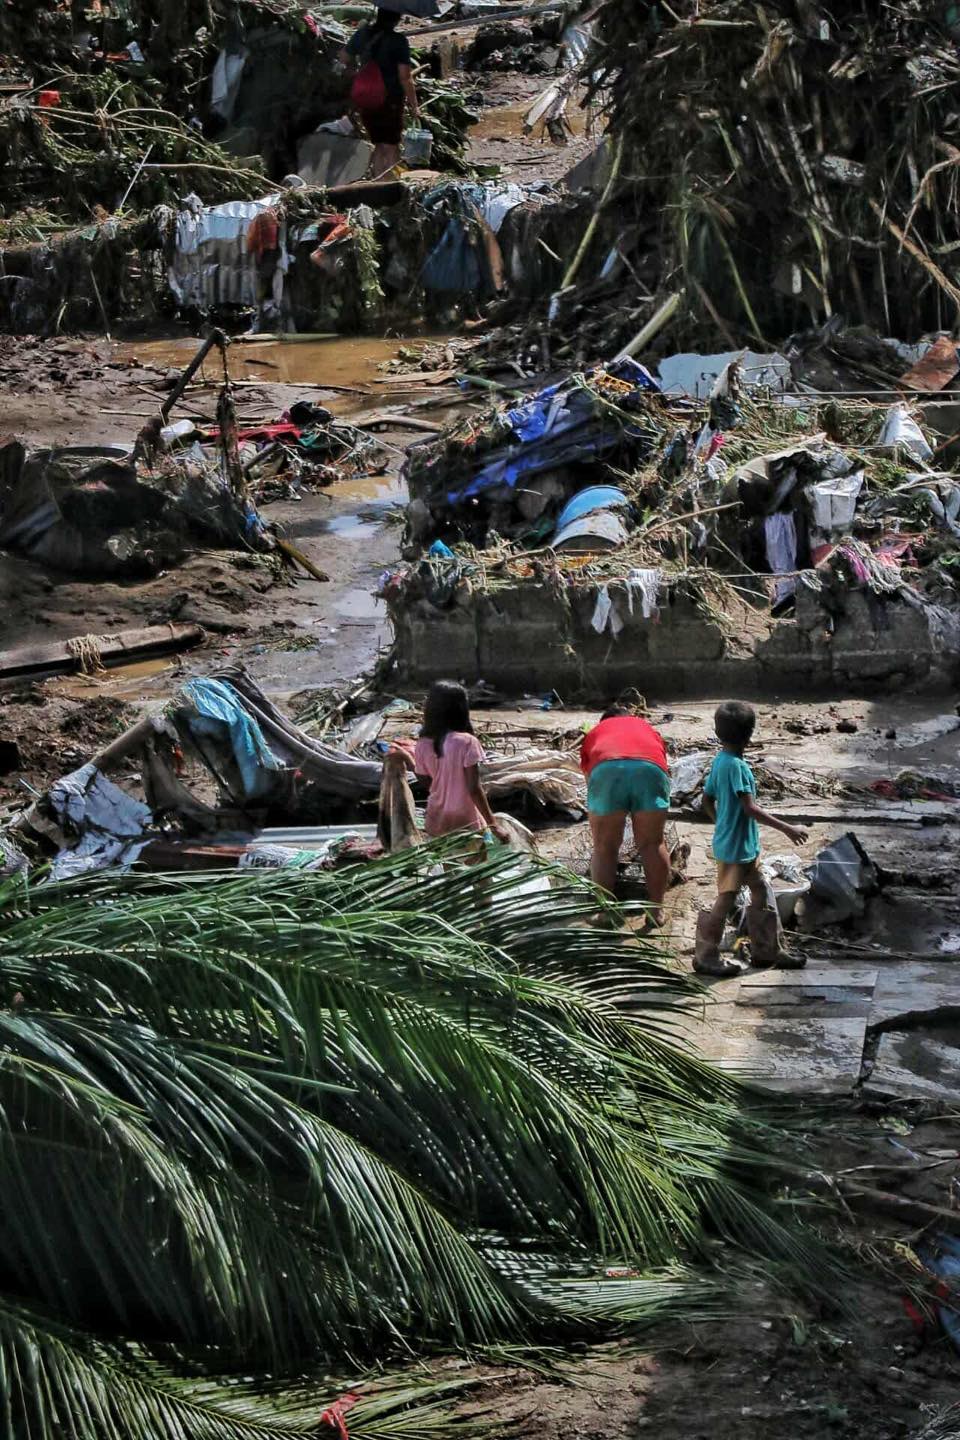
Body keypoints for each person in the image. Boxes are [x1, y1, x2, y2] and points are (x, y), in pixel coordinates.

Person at [695, 700, 808, 977]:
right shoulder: (737, 768)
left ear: (717, 731)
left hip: (738, 844)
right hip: (737, 848)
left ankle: (766, 950)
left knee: (759, 888)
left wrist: (720, 822)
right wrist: (787, 828)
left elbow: (705, 800)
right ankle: (706, 954)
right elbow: (750, 808)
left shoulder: (719, 762)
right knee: (726, 898)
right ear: (750, 734)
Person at [580, 705, 671, 923]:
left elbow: (588, 776)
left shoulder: (596, 732)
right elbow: (662, 760)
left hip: (606, 769)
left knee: (604, 847)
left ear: (605, 721)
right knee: (652, 843)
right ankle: (656, 911)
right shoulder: (645, 726)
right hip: (650, 768)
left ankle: (605, 911)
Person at [394, 680, 508, 843]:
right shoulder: (467, 742)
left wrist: (407, 759)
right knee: (474, 866)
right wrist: (493, 824)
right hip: (464, 819)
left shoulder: (423, 743)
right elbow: (473, 788)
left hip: (436, 818)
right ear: (461, 709)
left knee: (450, 867)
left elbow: (427, 782)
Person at [345, 8, 419, 179]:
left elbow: (343, 57)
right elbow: (405, 77)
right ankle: (391, 188)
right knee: (391, 145)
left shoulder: (362, 34)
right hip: (390, 99)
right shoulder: (398, 41)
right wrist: (414, 104)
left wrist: (358, 74)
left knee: (378, 143)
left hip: (366, 98)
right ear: (397, 19)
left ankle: (378, 183)